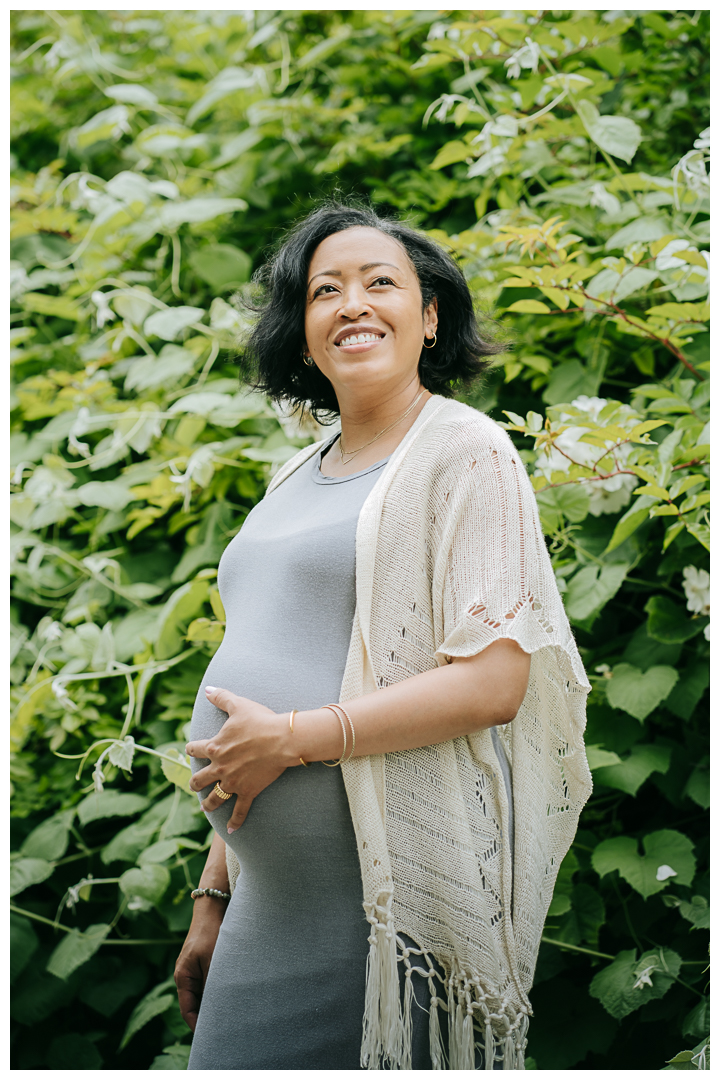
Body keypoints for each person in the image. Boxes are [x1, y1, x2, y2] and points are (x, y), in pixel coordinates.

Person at [174, 203, 592, 1070]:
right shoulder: (294, 473)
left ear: (430, 317)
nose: (352, 303)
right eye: (326, 291)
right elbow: (255, 689)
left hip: (376, 905)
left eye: (380, 283)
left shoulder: (468, 455)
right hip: (266, 906)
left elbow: (491, 684)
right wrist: (212, 896)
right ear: (304, 332)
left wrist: (291, 739)